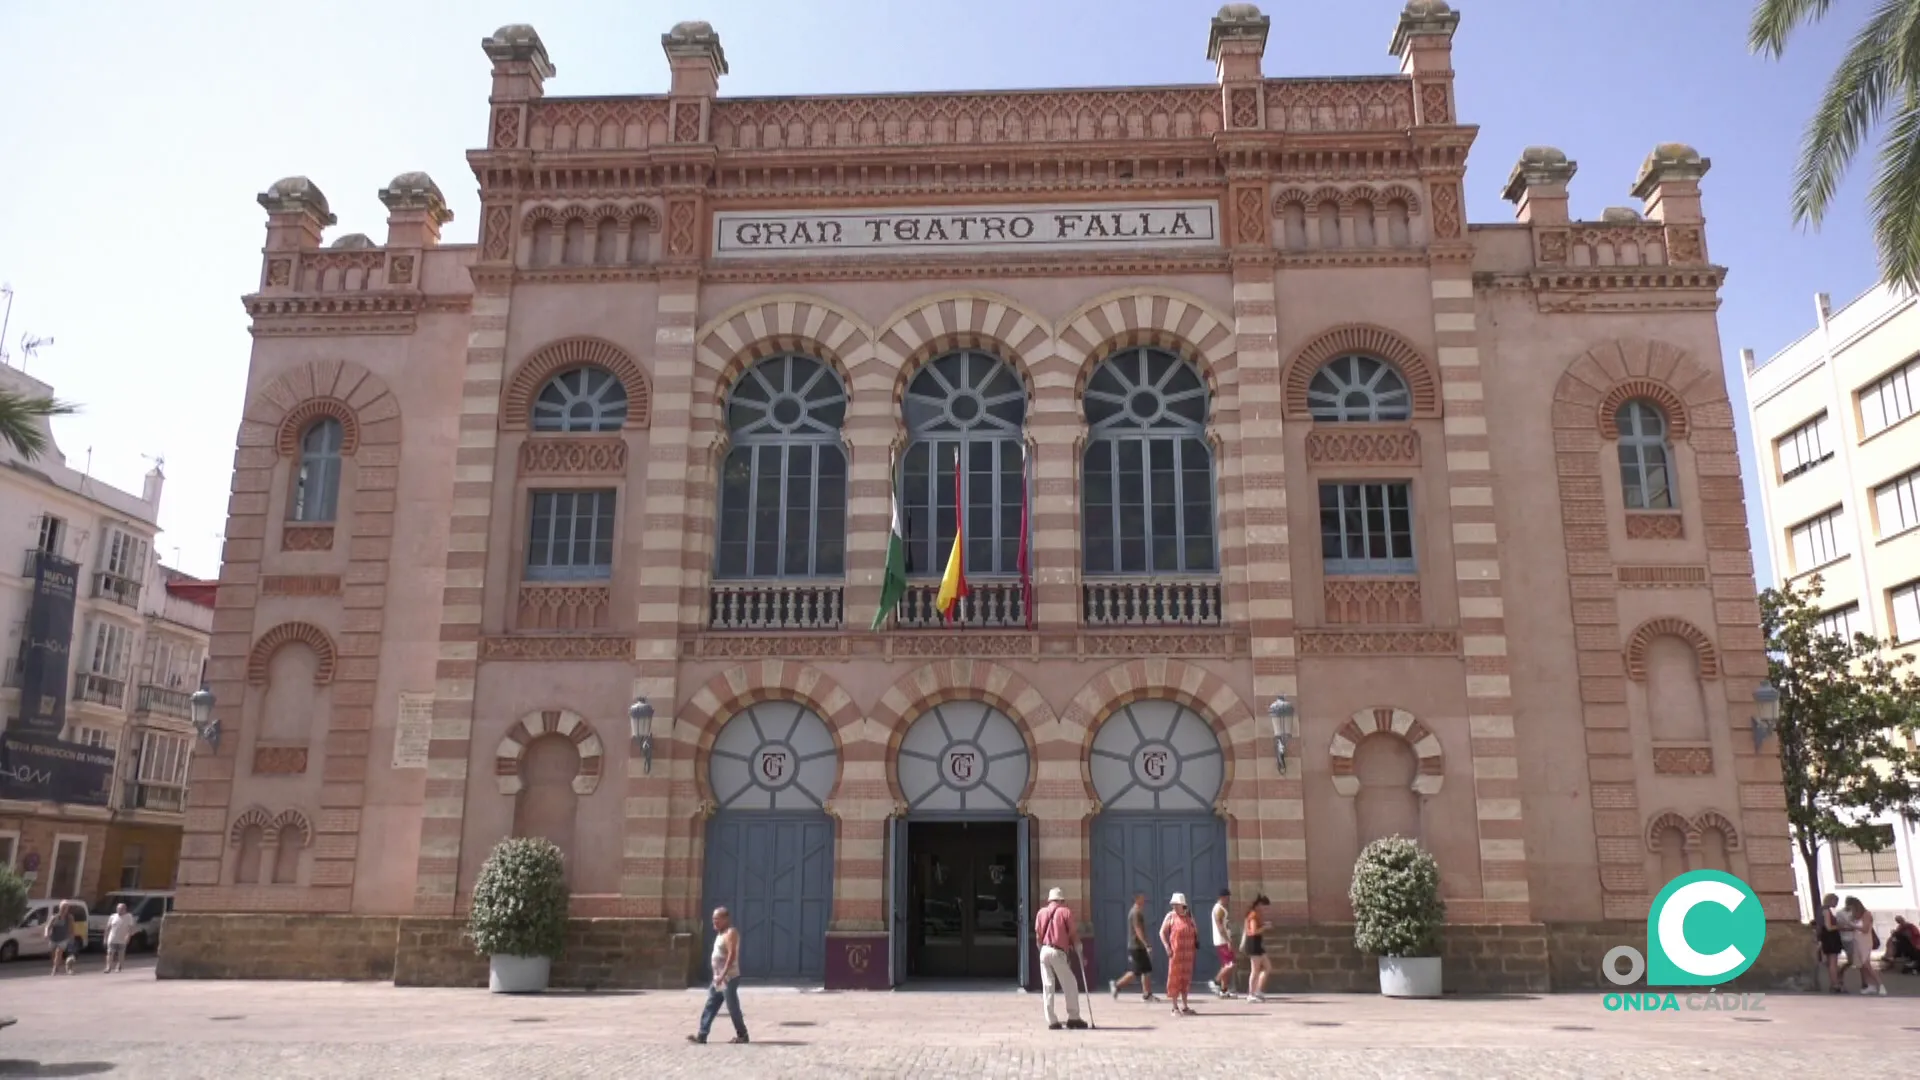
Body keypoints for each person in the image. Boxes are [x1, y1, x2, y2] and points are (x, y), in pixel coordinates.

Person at [688, 907, 748, 1044]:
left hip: (729, 978)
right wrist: (718, 977)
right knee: (710, 1005)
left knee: (733, 1008)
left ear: (726, 919)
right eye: (713, 919)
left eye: (717, 919)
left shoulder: (730, 933)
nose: (714, 922)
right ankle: (702, 1035)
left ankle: (743, 1035)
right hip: (719, 979)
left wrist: (723, 974)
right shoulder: (720, 933)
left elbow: (732, 955)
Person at [1033, 886, 1087, 1031]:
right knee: (1070, 984)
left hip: (1044, 950)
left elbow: (1038, 937)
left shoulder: (1041, 912)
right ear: (1062, 900)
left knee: (1048, 986)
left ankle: (1052, 1020)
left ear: (1049, 900)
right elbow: (1073, 934)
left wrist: (1042, 951)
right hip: (1058, 951)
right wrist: (1079, 950)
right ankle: (1073, 1017)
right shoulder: (1065, 912)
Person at [1110, 891, 1155, 1002]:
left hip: (1137, 946)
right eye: (1142, 897)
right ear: (1137, 899)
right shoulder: (1135, 913)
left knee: (1146, 970)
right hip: (1137, 946)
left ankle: (1147, 994)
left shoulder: (1137, 911)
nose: (1144, 900)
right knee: (1136, 972)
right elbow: (1137, 929)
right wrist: (1146, 944)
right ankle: (1116, 985)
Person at [1159, 892, 1199, 1017]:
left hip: (1188, 955)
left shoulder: (1189, 917)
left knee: (1186, 979)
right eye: (1173, 905)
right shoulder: (1170, 917)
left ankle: (1185, 1006)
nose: (1175, 907)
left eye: (1177, 905)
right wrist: (1167, 946)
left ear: (1183, 905)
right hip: (1175, 954)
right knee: (1174, 979)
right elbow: (1162, 932)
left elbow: (1196, 931)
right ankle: (1174, 1006)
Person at [1843, 896, 1887, 996]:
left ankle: (1880, 985)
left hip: (1865, 941)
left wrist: (1852, 925)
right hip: (1857, 941)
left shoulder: (1866, 914)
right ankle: (1870, 985)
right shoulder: (1854, 916)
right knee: (1862, 966)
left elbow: (1865, 929)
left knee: (1867, 964)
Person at [1242, 894, 1271, 1003]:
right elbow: (1253, 931)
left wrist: (1263, 925)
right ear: (1259, 905)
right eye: (1264, 906)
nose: (1265, 909)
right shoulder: (1253, 915)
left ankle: (1258, 991)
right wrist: (1265, 927)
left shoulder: (1256, 915)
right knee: (1255, 970)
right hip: (1253, 944)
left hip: (1257, 945)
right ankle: (1251, 993)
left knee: (1267, 967)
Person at [1208, 888, 1237, 998]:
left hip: (1223, 940)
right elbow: (1220, 927)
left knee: (1226, 965)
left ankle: (1224, 990)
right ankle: (1216, 982)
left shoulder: (1220, 909)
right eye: (1227, 897)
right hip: (1222, 941)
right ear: (1222, 897)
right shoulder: (1219, 909)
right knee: (1231, 964)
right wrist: (1228, 940)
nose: (1228, 900)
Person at [1817, 893, 1847, 992]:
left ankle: (1834, 983)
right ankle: (1835, 984)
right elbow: (1829, 927)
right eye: (1835, 901)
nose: (1836, 904)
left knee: (1830, 962)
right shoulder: (1826, 911)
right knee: (1833, 962)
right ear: (1830, 900)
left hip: (1826, 937)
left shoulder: (1821, 910)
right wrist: (1840, 927)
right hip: (1831, 937)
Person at [43, 901, 72, 976]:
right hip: (53, 938)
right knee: (53, 955)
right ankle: (57, 965)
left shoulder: (69, 918)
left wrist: (71, 937)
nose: (64, 909)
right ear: (60, 908)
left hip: (63, 939)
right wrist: (46, 933)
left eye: (66, 908)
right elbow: (48, 926)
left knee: (58, 952)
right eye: (63, 907)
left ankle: (54, 969)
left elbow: (71, 928)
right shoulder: (54, 917)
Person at [104, 903, 135, 973]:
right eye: (118, 909)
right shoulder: (113, 916)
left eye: (121, 909)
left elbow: (130, 928)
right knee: (110, 953)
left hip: (122, 940)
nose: (119, 910)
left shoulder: (129, 916)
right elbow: (108, 928)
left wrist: (128, 936)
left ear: (125, 909)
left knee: (121, 955)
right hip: (112, 938)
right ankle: (108, 967)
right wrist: (105, 938)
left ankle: (119, 966)